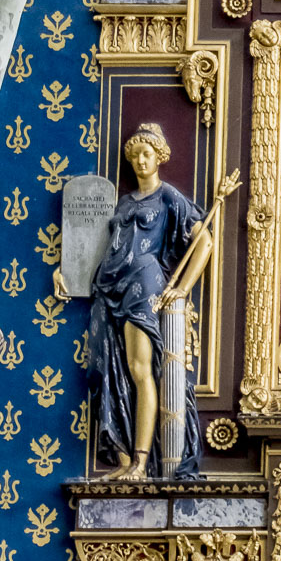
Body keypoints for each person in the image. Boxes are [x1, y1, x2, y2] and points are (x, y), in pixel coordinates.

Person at [87, 123, 212, 480]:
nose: (141, 160)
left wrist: (183, 288)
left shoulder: (168, 196)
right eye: (135, 155)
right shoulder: (125, 202)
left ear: (159, 158)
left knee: (141, 370)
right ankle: (126, 459)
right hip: (111, 286)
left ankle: (142, 462)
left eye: (148, 154)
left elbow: (205, 243)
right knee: (116, 371)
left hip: (144, 286)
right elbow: (103, 247)